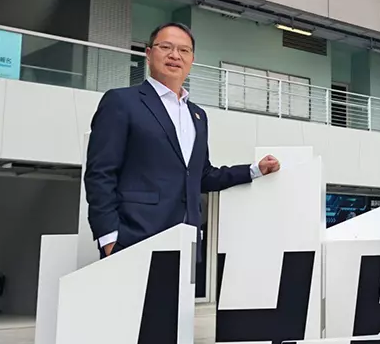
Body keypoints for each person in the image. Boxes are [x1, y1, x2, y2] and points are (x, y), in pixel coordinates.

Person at [84, 22, 281, 257]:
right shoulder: (121, 102)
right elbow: (100, 173)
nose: (175, 55)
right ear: (149, 53)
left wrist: (254, 170)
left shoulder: (197, 115)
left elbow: (202, 176)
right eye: (166, 47)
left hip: (187, 241)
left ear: (192, 59)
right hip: (134, 238)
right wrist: (108, 238)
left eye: (183, 50)